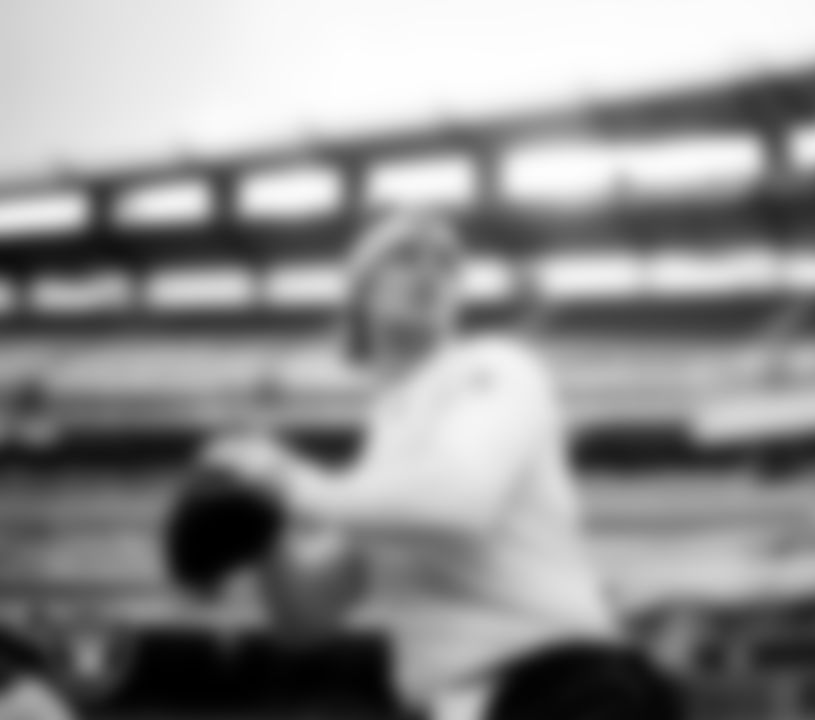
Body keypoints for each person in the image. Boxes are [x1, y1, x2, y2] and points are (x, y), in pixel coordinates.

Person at [200, 209, 679, 720]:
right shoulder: (381, 460)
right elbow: (306, 619)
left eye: (447, 264)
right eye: (404, 256)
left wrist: (285, 481)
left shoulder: (496, 367)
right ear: (361, 293)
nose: (430, 270)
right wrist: (262, 532)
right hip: (472, 704)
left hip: (573, 687)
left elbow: (460, 501)